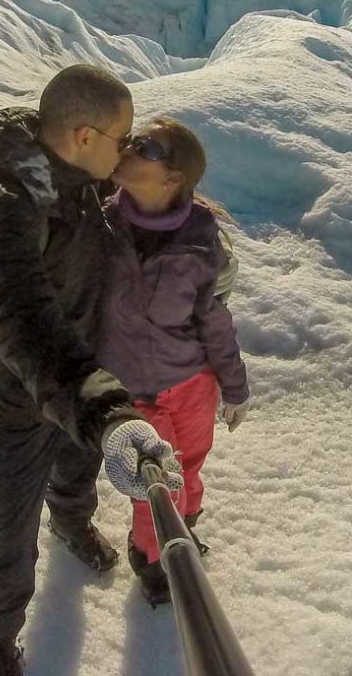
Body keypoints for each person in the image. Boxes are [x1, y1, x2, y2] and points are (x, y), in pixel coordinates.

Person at [0, 65, 183, 676]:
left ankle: (71, 522)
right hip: (11, 393)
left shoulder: (83, 180)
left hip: (83, 377)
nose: (126, 151)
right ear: (82, 136)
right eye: (120, 138)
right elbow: (23, 322)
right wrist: (103, 409)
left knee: (78, 469)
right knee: (9, 522)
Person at [95, 115, 251, 606]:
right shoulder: (98, 224)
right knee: (154, 485)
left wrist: (235, 385)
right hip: (131, 390)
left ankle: (185, 534)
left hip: (191, 383)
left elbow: (213, 320)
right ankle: (155, 562)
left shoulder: (202, 243)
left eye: (148, 147)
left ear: (174, 178)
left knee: (191, 469)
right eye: (134, 139)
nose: (130, 147)